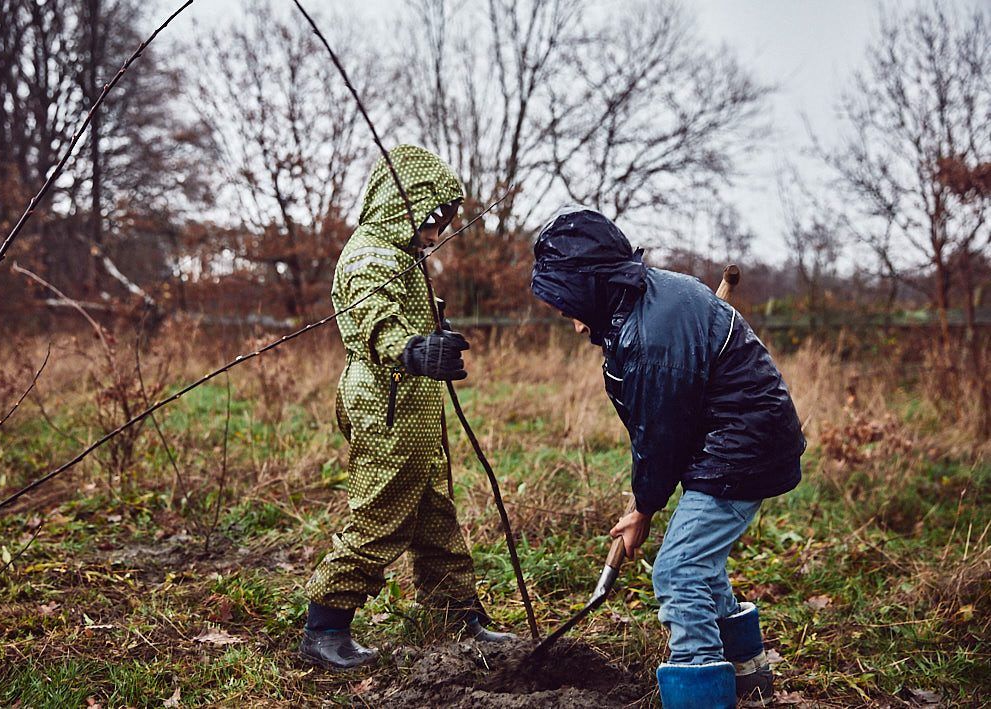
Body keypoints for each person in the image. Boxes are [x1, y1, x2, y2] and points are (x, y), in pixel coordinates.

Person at [530, 206, 805, 708]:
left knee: (678, 570)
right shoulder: (646, 298)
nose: (571, 324)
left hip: (743, 449)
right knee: (700, 561)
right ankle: (747, 672)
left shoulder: (652, 337)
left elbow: (660, 438)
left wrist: (643, 509)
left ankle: (701, 693)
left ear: (590, 284)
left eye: (568, 305)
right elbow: (662, 429)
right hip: (732, 441)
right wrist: (645, 503)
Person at [300, 145, 513, 671]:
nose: (437, 233)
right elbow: (373, 315)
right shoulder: (372, 257)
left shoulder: (401, 256)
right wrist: (413, 349)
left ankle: (454, 614)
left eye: (444, 223)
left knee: (435, 514)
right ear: (404, 204)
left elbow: (407, 314)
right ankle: (324, 627)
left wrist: (437, 338)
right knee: (381, 513)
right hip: (386, 411)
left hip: (416, 410)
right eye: (432, 220)